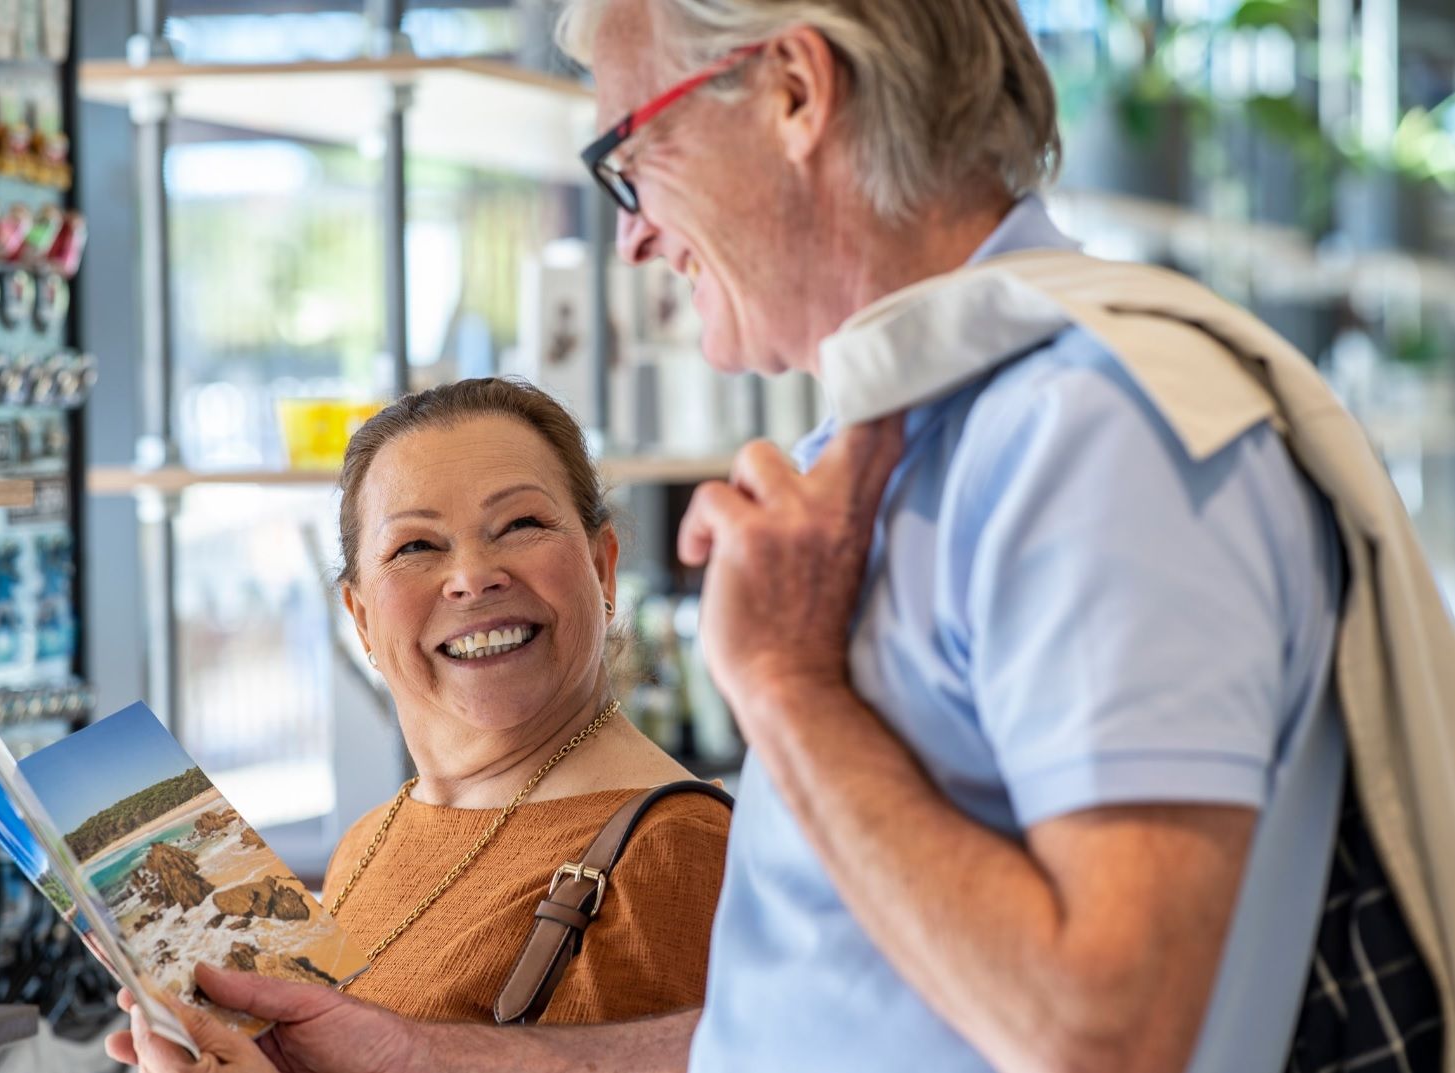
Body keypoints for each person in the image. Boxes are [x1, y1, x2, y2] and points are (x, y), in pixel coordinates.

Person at [110, 0, 1453, 1070]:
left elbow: (1109, 1033)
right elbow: (815, 1031)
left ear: (796, 91)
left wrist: (793, 688)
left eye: (629, 154)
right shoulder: (903, 445)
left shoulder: (1096, 432)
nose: (634, 236)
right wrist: (406, 1057)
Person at [111, 377, 729, 1055]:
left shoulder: (678, 847)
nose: (472, 576)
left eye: (520, 525)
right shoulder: (368, 841)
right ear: (361, 618)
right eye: (415, 546)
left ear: (602, 569)